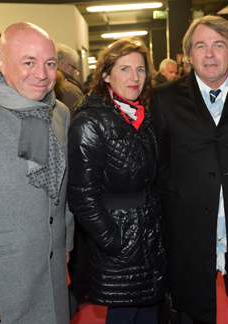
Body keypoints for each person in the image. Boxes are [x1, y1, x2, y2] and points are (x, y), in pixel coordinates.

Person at [150, 14, 228, 324]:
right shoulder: (164, 99)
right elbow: (160, 166)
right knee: (191, 307)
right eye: (200, 46)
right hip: (188, 228)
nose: (209, 54)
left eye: (218, 45)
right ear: (189, 56)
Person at [0, 22, 73, 323]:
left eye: (49, 63)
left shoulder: (59, 112)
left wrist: (65, 243)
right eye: (28, 62)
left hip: (52, 273)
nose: (42, 74)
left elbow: (62, 187)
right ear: (1, 62)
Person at [67, 37, 167, 324]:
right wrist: (114, 241)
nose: (134, 78)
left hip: (151, 235)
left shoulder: (144, 115)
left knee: (149, 309)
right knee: (123, 313)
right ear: (106, 75)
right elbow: (81, 197)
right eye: (124, 69)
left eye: (140, 69)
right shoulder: (90, 122)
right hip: (118, 240)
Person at [55, 43, 84, 118]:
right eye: (74, 69)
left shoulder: (43, 84)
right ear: (65, 66)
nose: (74, 75)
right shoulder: (70, 90)